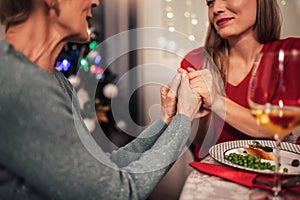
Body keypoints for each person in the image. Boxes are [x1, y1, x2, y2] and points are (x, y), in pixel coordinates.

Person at [0, 0, 201, 199]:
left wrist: (166, 120)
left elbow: (99, 172)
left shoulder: (56, 80)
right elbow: (117, 193)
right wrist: (184, 118)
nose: (96, 2)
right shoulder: (20, 84)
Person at [179, 0, 300, 160]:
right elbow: (200, 145)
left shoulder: (291, 52)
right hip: (215, 173)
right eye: (210, 3)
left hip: (275, 172)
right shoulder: (195, 61)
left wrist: (216, 100)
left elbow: (277, 130)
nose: (216, 9)